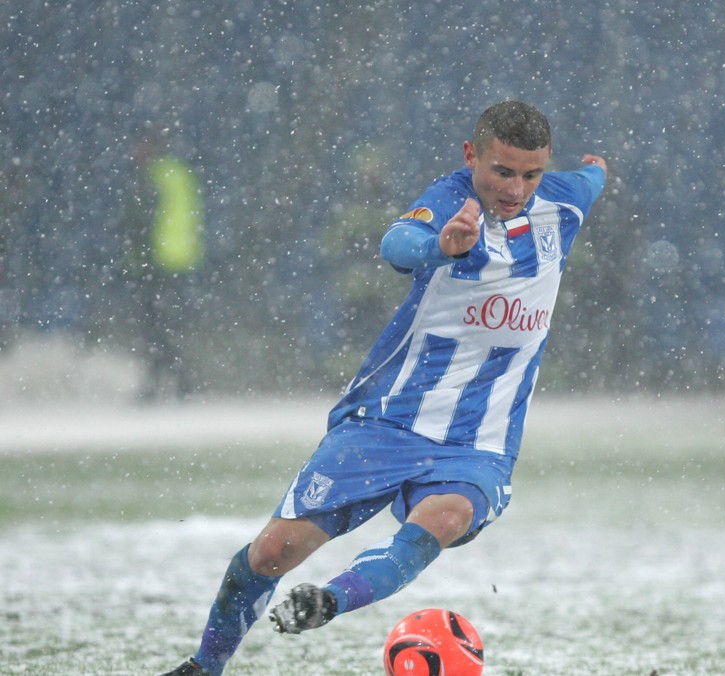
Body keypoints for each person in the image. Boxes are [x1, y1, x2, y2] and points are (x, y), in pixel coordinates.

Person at [160, 101, 607, 676]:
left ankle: (328, 601)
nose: (517, 188)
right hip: (387, 419)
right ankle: (204, 667)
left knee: (441, 522)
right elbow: (397, 243)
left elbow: (591, 177)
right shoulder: (452, 202)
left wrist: (597, 169)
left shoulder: (567, 198)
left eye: (531, 174)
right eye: (502, 170)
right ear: (472, 156)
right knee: (272, 553)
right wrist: (439, 248)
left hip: (479, 441)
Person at [120, 131, 206, 400]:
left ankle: (167, 383)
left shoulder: (152, 178)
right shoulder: (179, 173)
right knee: (165, 328)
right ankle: (174, 382)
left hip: (156, 263)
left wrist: (134, 255)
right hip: (178, 260)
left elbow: (140, 222)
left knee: (155, 329)